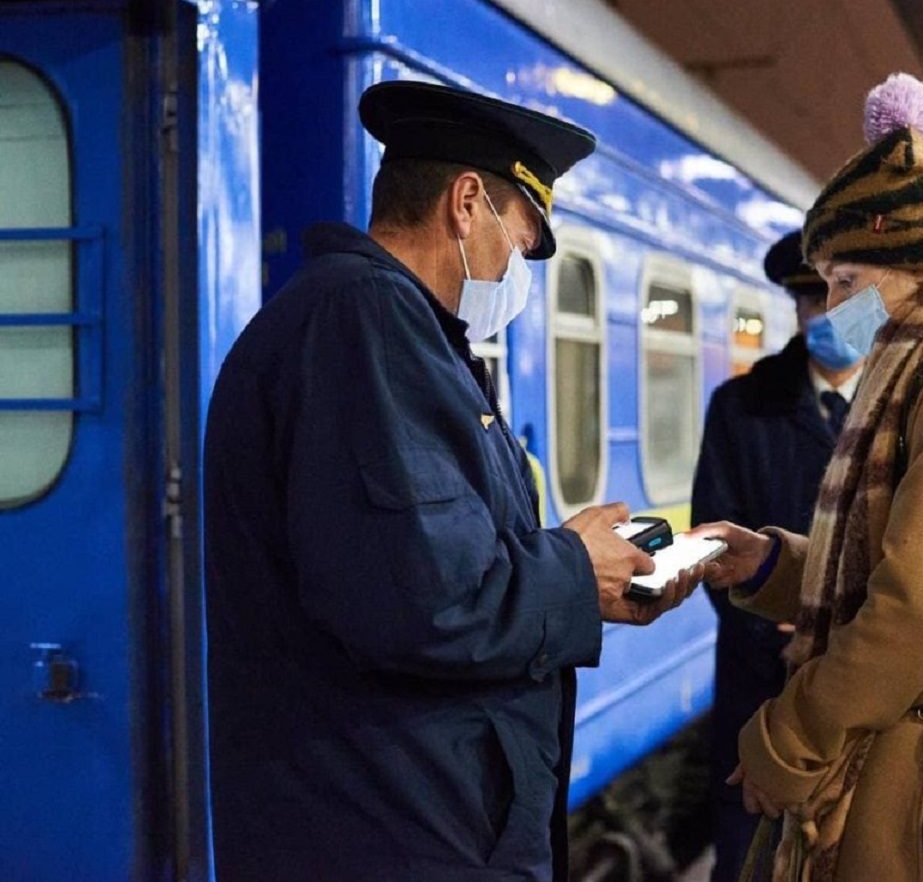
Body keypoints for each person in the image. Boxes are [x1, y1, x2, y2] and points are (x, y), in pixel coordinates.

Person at [203, 80, 699, 882]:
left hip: (414, 818)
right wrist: (576, 571)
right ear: (468, 202)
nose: (521, 267)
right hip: (386, 830)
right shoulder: (364, 324)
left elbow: (426, 552)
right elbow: (424, 598)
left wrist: (588, 571)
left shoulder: (395, 332)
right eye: (525, 239)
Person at [695, 73, 923, 880]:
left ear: (907, 265)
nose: (829, 311)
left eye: (842, 281)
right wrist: (768, 564)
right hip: (911, 764)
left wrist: (788, 739)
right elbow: (894, 572)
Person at [690, 229, 861, 882]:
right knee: (750, 861)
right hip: (760, 691)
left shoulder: (909, 409)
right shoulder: (742, 406)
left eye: (840, 297)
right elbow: (716, 544)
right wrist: (774, 632)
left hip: (860, 695)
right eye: (808, 301)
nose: (824, 317)